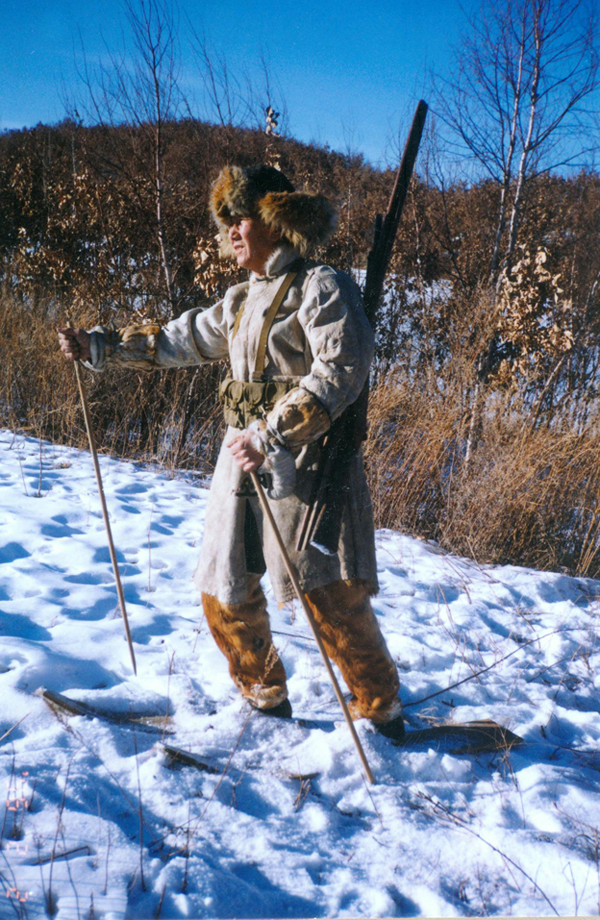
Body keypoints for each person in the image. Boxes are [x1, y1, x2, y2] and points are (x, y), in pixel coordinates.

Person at [58, 164, 405, 740]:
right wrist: (102, 346)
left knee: (327, 593)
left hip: (305, 464)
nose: (230, 232)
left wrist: (273, 434)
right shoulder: (242, 298)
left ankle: (380, 708)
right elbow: (182, 338)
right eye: (227, 222)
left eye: (240, 218)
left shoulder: (321, 286)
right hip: (238, 459)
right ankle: (264, 695)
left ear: (274, 218)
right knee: (224, 584)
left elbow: (342, 368)